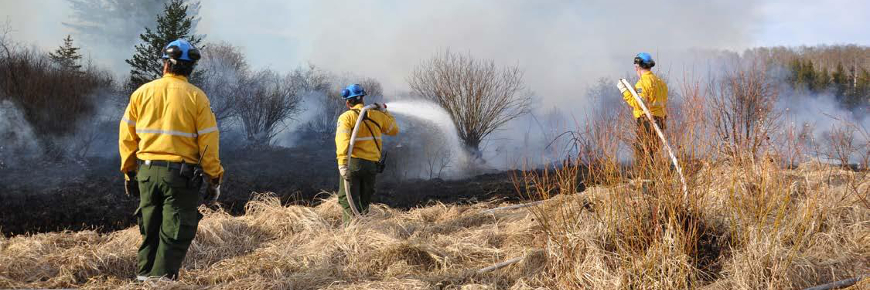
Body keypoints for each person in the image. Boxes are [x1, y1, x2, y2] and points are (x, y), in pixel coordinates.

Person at [118, 39, 224, 281]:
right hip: (180, 178)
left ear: (165, 65)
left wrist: (129, 172)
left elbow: (126, 137)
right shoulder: (197, 97)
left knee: (150, 232)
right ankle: (160, 283)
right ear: (190, 69)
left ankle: (144, 280)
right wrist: (214, 180)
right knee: (174, 234)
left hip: (145, 174)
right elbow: (208, 144)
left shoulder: (141, 93)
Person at [335, 84, 399, 221]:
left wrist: (342, 164)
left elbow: (342, 142)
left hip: (354, 163)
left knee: (347, 199)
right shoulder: (377, 115)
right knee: (364, 200)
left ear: (347, 102)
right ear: (362, 99)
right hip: (371, 166)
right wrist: (385, 112)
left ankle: (351, 232)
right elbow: (394, 130)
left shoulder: (346, 117)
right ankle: (364, 231)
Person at [617, 52, 668, 169]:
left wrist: (624, 91)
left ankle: (647, 184)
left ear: (637, 67)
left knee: (643, 153)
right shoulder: (661, 83)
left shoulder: (643, 83)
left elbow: (638, 103)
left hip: (646, 121)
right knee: (652, 152)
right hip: (660, 120)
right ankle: (653, 182)